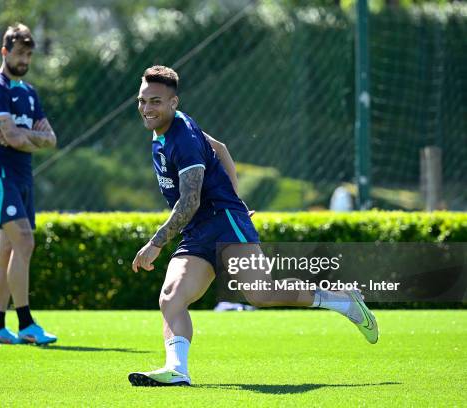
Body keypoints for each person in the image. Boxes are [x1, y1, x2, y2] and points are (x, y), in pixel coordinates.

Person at [128, 66, 378, 387]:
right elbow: (221, 149)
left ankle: (341, 300)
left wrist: (156, 243)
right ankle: (177, 370)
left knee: (260, 293)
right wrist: (236, 194)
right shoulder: (165, 129)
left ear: (173, 102)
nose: (147, 109)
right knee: (171, 297)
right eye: (142, 101)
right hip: (198, 231)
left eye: (156, 102)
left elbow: (189, 201)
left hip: (226, 223)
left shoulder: (184, 138)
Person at [0, 23, 58, 345]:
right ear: (4, 52)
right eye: (18, 53)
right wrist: (25, 137)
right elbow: (10, 136)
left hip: (23, 176)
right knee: (24, 241)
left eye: (28, 54)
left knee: (7, 249)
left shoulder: (29, 92)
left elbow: (50, 139)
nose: (24, 60)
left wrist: (25, 138)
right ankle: (25, 323)